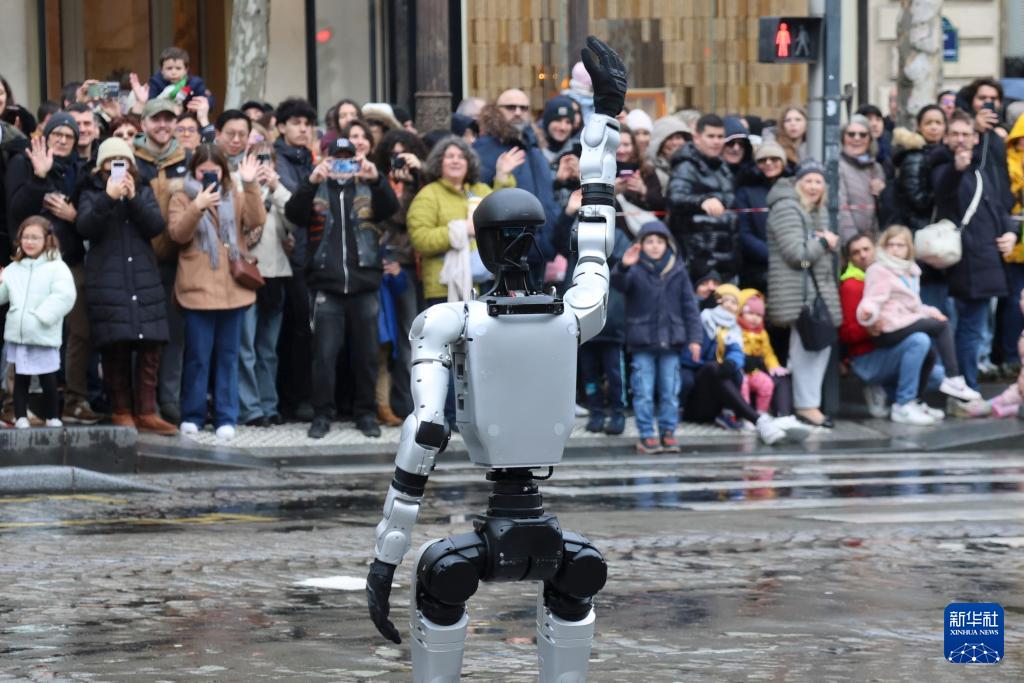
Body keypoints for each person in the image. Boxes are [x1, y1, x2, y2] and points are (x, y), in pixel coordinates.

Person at [284, 131, 399, 440]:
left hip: (364, 284)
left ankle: (365, 413)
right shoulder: (317, 187)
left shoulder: (368, 186)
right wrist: (311, 181)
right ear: (327, 160)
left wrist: (376, 179)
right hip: (327, 286)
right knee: (324, 355)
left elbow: (390, 209)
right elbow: (294, 214)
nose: (344, 166)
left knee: (367, 355)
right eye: (338, 160)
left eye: (349, 160)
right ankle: (322, 414)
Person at [5, 112, 102, 425]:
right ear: (46, 136)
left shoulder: (79, 171)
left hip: (68, 261)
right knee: (24, 333)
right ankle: (13, 403)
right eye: (57, 134)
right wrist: (39, 177)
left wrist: (73, 216)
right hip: (29, 264)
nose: (62, 140)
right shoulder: (23, 161)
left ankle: (74, 399)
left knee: (80, 332)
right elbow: (16, 210)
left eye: (69, 136)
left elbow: (88, 220)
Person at [75, 137, 176, 434]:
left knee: (150, 346)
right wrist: (108, 198)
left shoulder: (142, 190)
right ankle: (121, 409)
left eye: (122, 161)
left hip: (143, 278)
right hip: (108, 280)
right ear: (100, 166)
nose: (117, 167)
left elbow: (156, 226)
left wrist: (132, 198)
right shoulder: (91, 192)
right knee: (115, 345)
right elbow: (85, 227)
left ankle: (146, 411)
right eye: (110, 161)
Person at [167, 145, 266, 440]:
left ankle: (226, 415)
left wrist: (250, 184)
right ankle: (192, 414)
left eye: (215, 171)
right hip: (197, 289)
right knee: (197, 356)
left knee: (228, 356)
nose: (209, 176)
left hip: (232, 289)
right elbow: (178, 234)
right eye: (202, 171)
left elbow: (256, 220)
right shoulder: (181, 196)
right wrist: (197, 206)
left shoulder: (234, 194)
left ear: (223, 171)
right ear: (193, 171)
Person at [932, 110, 1018, 390]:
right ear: (946, 138)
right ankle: (964, 388)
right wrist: (956, 169)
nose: (960, 139)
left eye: (966, 134)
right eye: (955, 134)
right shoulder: (942, 166)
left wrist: (1010, 233)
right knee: (964, 331)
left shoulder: (980, 170)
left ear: (975, 138)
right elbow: (943, 192)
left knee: (973, 331)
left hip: (983, 261)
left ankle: (966, 387)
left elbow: (999, 209)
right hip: (958, 263)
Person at [857, 225, 981, 402]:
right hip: (889, 325)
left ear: (908, 248)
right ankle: (953, 377)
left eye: (900, 245)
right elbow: (873, 299)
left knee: (928, 353)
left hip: (904, 320)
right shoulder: (880, 270)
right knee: (942, 326)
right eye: (891, 245)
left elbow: (914, 305)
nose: (895, 249)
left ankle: (914, 401)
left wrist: (931, 312)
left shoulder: (910, 271)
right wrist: (868, 312)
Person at [611, 221, 702, 453]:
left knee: (670, 391)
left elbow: (690, 308)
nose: (654, 246)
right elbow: (618, 284)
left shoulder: (678, 271)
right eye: (649, 241)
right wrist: (623, 266)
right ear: (640, 244)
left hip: (672, 342)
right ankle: (646, 434)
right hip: (642, 341)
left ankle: (668, 431)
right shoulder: (634, 268)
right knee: (643, 391)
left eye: (659, 241)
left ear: (668, 244)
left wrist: (695, 339)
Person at [766, 159, 841, 428]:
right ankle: (806, 406)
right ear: (797, 183)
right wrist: (824, 242)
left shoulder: (814, 210)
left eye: (818, 181)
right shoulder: (787, 208)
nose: (813, 186)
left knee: (816, 347)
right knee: (807, 350)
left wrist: (823, 243)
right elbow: (796, 254)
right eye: (808, 181)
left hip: (814, 292)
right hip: (798, 294)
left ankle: (807, 403)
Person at [839, 232, 941, 424]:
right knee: (919, 341)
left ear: (877, 250)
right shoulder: (851, 286)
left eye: (866, 249)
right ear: (850, 259)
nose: (863, 255)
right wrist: (867, 328)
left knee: (937, 376)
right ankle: (903, 403)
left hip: (892, 347)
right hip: (867, 358)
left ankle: (903, 398)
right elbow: (845, 333)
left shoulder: (893, 274)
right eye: (856, 252)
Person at [408, 136, 522, 304]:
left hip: (485, 283)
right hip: (444, 287)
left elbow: (503, 212)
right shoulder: (428, 195)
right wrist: (462, 229)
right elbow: (420, 239)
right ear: (439, 162)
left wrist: (503, 175)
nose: (456, 161)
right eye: (450, 156)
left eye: (461, 157)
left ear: (469, 163)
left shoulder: (480, 190)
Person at [133, 98, 190, 424]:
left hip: (176, 260)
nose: (163, 125)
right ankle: (140, 403)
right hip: (137, 260)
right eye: (156, 119)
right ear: (144, 124)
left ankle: (169, 400)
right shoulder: (128, 159)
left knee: (173, 334)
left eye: (169, 119)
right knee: (138, 335)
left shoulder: (189, 158)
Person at [371, 129, 428, 420]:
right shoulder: (379, 182)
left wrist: (420, 175)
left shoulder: (423, 182)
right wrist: (400, 186)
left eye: (404, 155)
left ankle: (409, 403)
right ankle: (394, 403)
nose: (398, 162)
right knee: (391, 339)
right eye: (393, 156)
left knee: (412, 336)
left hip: (417, 264)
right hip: (389, 263)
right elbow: (391, 217)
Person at [0, 216, 76, 428]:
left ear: (47, 239)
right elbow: (3, 295)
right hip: (20, 335)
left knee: (47, 376)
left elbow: (65, 296)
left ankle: (52, 416)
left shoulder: (57, 267)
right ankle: (20, 416)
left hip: (43, 332)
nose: (29, 242)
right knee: (20, 376)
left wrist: (42, 317)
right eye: (25, 237)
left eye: (35, 237)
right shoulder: (14, 268)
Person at [236, 140, 292, 428]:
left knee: (268, 349)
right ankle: (250, 407)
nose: (262, 164)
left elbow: (295, 221)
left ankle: (269, 405)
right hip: (246, 274)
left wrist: (276, 186)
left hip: (276, 275)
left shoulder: (280, 189)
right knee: (245, 346)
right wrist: (251, 186)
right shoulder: (238, 187)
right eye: (256, 158)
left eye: (267, 159)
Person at [272, 98, 317, 422]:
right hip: (286, 254)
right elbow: (295, 203)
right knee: (291, 331)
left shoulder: (311, 159)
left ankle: (303, 397)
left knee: (306, 331)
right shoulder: (276, 159)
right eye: (296, 123)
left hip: (310, 254)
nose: (303, 129)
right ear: (281, 126)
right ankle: (291, 399)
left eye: (307, 124)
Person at [667, 113, 740, 283]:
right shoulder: (686, 165)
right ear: (697, 138)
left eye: (720, 137)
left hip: (726, 259)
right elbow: (675, 198)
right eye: (711, 136)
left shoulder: (722, 167)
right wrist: (702, 201)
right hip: (698, 262)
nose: (716, 141)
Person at [892, 104, 948, 312]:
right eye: (928, 123)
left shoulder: (943, 154)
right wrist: (945, 192)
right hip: (923, 236)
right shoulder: (915, 157)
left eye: (938, 123)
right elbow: (918, 200)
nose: (934, 127)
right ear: (919, 127)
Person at [736, 140, 788, 292]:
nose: (769, 163)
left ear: (783, 162)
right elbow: (743, 234)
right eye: (762, 160)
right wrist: (772, 256)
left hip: (791, 265)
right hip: (756, 270)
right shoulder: (745, 191)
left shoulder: (794, 187)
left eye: (774, 159)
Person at [837, 115, 885, 245]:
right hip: (850, 243)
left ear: (870, 139)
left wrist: (882, 193)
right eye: (851, 134)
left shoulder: (876, 168)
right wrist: (853, 242)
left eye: (863, 135)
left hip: (874, 240)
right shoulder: (838, 166)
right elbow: (842, 209)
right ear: (843, 138)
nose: (857, 138)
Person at [144, 46, 212, 107]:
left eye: (178, 68)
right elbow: (151, 104)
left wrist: (203, 103)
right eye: (169, 68)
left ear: (186, 70)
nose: (174, 72)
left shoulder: (195, 83)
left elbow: (207, 101)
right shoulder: (156, 82)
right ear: (162, 70)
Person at [647, 115, 691, 195]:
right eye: (669, 138)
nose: (674, 143)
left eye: (678, 137)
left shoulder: (694, 166)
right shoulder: (649, 169)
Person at [538, 95, 579, 169]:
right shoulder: (533, 152)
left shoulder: (579, 152)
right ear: (547, 122)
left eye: (568, 122)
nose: (563, 127)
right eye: (558, 120)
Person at [764, 105, 808, 171]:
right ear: (782, 125)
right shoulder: (773, 146)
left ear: (806, 123)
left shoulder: (815, 147)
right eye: (788, 120)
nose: (793, 124)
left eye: (798, 120)